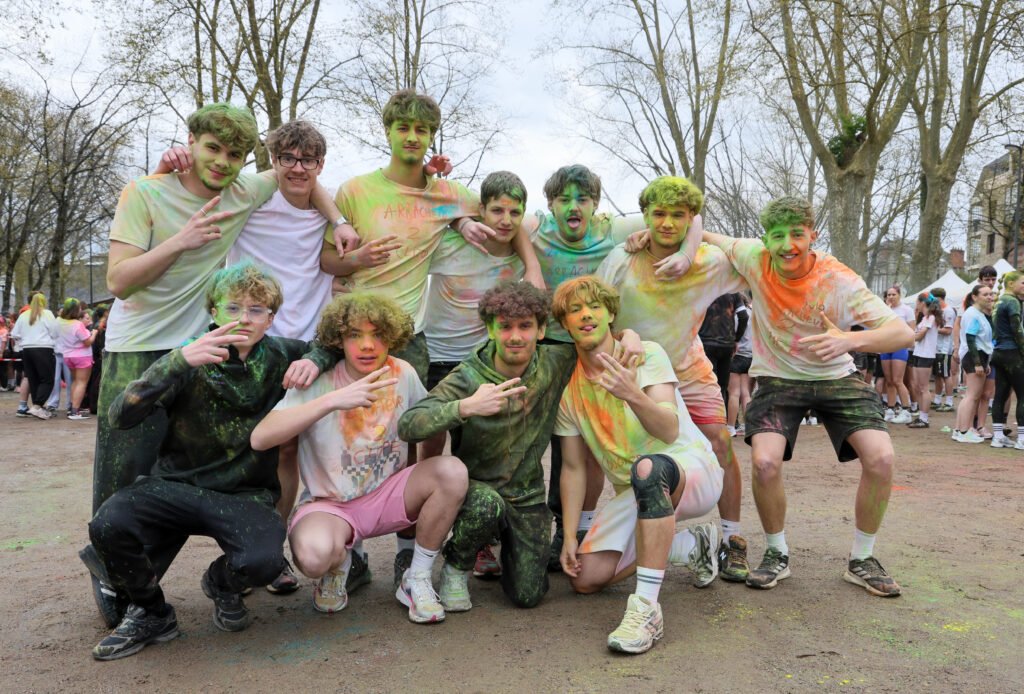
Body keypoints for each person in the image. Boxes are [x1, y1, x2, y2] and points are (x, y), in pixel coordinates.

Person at [82, 103, 344, 630]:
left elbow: (305, 177)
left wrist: (339, 221)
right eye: (212, 148)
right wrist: (181, 240)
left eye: (234, 154)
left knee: (177, 469)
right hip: (139, 348)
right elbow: (118, 282)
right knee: (124, 469)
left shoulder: (243, 190)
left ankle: (161, 579)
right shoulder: (145, 192)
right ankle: (112, 577)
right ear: (191, 142)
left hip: (205, 347)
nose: (223, 161)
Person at [318, 89, 542, 588]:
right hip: (355, 335)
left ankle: (406, 551)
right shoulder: (355, 190)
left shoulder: (447, 192)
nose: (412, 137)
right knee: (349, 441)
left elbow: (514, 216)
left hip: (409, 337)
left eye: (422, 129)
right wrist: (356, 261)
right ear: (388, 132)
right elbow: (327, 260)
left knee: (407, 443)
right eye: (403, 127)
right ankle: (349, 552)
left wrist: (527, 263)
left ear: (431, 136)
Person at [87, 262, 340, 660]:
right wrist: (176, 362)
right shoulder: (187, 357)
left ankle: (221, 584)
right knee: (107, 524)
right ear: (213, 311)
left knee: (264, 563)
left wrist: (316, 359)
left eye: (256, 309)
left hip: (244, 493)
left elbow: (333, 345)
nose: (244, 318)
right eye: (233, 307)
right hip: (175, 486)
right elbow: (120, 417)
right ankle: (152, 612)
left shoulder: (283, 354)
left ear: (271, 317)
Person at [702, 196, 913, 597]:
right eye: (777, 236)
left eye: (797, 234)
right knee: (764, 462)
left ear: (812, 235)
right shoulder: (753, 257)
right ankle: (776, 552)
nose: (787, 245)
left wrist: (849, 340)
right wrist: (648, 238)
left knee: (881, 458)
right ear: (766, 238)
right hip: (779, 379)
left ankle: (862, 558)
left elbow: (902, 333)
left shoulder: (838, 279)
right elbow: (706, 234)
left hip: (837, 376)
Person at [399, 281, 642, 611]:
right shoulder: (468, 376)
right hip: (476, 493)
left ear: (541, 331)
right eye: (505, 327)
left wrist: (629, 335)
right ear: (490, 329)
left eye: (525, 326)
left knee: (529, 595)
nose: (515, 336)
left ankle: (505, 550)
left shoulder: (555, 361)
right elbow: (409, 425)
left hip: (526, 497)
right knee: (486, 506)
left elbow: (595, 341)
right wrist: (465, 407)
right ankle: (456, 565)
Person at [250, 292, 467, 624]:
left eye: (377, 334)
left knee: (452, 472)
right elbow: (261, 438)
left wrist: (419, 475)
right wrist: (333, 400)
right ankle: (342, 564)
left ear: (391, 337)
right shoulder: (317, 379)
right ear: (339, 339)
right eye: (355, 335)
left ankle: (417, 577)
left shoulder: (402, 372)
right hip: (331, 504)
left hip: (389, 497)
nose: (367, 345)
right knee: (312, 557)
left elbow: (430, 426)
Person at [531, 165, 700, 570]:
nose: (574, 206)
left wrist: (685, 254)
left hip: (603, 340)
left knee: (597, 440)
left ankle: (579, 529)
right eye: (564, 199)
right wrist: (530, 264)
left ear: (596, 205)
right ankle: (560, 531)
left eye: (583, 199)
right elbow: (493, 214)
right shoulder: (536, 227)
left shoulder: (614, 229)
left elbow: (691, 216)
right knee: (563, 442)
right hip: (553, 343)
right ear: (550, 204)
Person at [551, 276, 722, 654]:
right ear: (565, 323)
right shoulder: (570, 394)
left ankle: (646, 609)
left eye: (594, 306)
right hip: (636, 491)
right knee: (585, 578)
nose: (586, 315)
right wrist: (569, 535)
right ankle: (688, 545)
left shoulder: (646, 354)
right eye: (575, 310)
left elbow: (668, 429)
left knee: (648, 469)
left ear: (610, 314)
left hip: (689, 470)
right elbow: (574, 469)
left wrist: (632, 394)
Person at [596, 176, 750, 581]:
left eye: (678, 216)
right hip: (635, 369)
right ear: (645, 216)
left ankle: (732, 539)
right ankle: (598, 530)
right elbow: (596, 309)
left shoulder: (709, 262)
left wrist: (691, 248)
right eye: (659, 214)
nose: (667, 223)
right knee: (621, 452)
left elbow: (758, 262)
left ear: (691, 219)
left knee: (720, 440)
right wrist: (621, 337)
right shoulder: (621, 259)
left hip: (686, 365)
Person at [953, 285, 995, 443]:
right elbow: (970, 339)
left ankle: (959, 430)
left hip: (979, 355)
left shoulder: (979, 314)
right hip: (973, 355)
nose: (989, 297)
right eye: (985, 294)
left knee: (971, 396)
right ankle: (964, 431)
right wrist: (978, 363)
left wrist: (985, 362)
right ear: (975, 297)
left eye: (990, 294)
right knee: (972, 396)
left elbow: (983, 339)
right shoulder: (972, 314)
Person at [989, 271, 1024, 449]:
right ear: (1011, 284)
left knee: (1000, 396)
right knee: (1022, 395)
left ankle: (998, 437)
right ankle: (1022, 440)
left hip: (998, 353)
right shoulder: (1012, 301)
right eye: (1023, 283)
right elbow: (1017, 329)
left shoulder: (999, 300)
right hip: (1012, 354)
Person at [10, 293, 57, 420]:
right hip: (44, 348)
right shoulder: (47, 314)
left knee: (33, 379)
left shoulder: (24, 315)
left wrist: (25, 339)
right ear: (44, 302)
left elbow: (15, 334)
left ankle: (38, 407)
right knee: (48, 380)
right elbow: (55, 332)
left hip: (26, 349)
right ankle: (37, 406)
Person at [54, 298, 99, 419]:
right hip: (82, 356)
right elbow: (87, 342)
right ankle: (75, 411)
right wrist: (94, 334)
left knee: (76, 381)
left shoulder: (59, 322)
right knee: (82, 383)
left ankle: (72, 407)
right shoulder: (77, 325)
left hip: (68, 355)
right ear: (77, 309)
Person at [906, 293, 942, 429]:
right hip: (918, 353)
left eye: (917, 302)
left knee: (923, 388)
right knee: (917, 387)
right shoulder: (925, 318)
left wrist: (905, 337)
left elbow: (920, 335)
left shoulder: (931, 317)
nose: (916, 305)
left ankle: (924, 418)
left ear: (922, 303)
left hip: (926, 355)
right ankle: (921, 417)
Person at [880, 286, 915, 424]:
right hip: (885, 346)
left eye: (893, 294)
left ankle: (906, 410)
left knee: (897, 380)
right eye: (889, 295)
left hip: (899, 347)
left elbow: (912, 330)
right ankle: (890, 409)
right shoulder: (884, 310)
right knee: (889, 380)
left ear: (900, 295)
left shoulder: (907, 310)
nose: (891, 297)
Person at [728, 297, 753, 437]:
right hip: (750, 356)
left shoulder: (736, 316)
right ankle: (749, 428)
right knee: (746, 394)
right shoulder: (752, 313)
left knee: (734, 394)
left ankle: (731, 428)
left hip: (736, 356)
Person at [929, 288, 957, 412]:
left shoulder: (948, 311)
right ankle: (937, 399)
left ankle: (949, 402)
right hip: (935, 348)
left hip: (944, 349)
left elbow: (948, 330)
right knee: (937, 375)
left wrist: (931, 330)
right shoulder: (938, 311)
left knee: (946, 375)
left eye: (932, 299)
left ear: (938, 298)